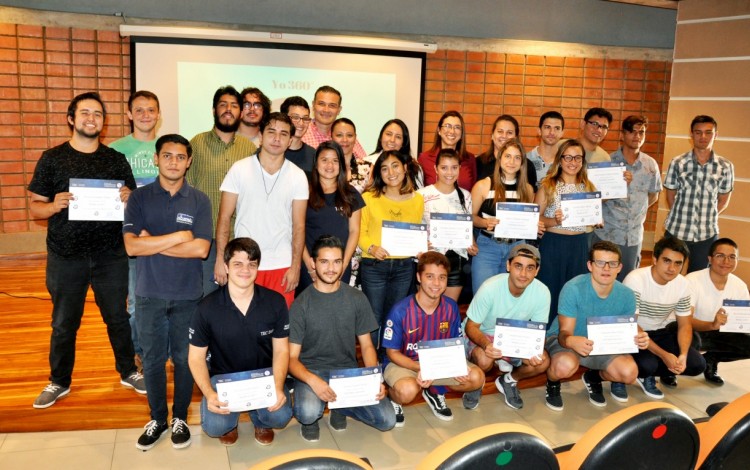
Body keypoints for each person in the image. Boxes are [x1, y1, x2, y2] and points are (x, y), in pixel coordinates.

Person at [28, 92, 144, 409]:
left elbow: (132, 200)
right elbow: (34, 207)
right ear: (71, 119)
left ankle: (128, 371)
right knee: (64, 323)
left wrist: (127, 196)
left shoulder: (115, 159)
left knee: (118, 318)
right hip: (66, 256)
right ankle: (59, 381)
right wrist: (54, 204)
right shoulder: (51, 158)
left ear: (103, 123)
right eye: (85, 113)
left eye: (98, 114)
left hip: (110, 255)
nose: (91, 118)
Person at [123, 134, 212, 451]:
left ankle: (180, 418)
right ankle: (158, 418)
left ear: (189, 161)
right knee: (153, 360)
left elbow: (201, 249)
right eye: (167, 155)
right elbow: (132, 246)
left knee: (185, 359)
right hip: (149, 294)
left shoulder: (200, 200)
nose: (174, 161)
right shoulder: (139, 198)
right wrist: (178, 237)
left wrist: (154, 242)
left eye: (180, 156)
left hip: (188, 295)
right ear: (156, 159)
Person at [289, 235, 396, 442]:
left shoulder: (356, 298)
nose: (331, 268)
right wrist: (314, 382)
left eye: (337, 262)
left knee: (387, 420)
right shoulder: (301, 304)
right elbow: (291, 359)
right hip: (312, 371)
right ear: (313, 263)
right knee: (308, 413)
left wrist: (374, 379)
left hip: (347, 372)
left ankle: (340, 406)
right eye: (324, 261)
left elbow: (366, 346)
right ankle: (321, 410)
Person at [189, 237, 292, 447]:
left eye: (251, 264)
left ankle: (259, 419)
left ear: (257, 268)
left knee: (280, 417)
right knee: (215, 427)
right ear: (226, 266)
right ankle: (230, 423)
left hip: (264, 378)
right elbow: (195, 357)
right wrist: (209, 393)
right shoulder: (206, 308)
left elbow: (282, 351)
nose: (245, 269)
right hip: (225, 381)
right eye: (238, 264)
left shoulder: (275, 302)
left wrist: (278, 386)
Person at [215, 112, 308, 307]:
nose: (277, 138)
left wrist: (296, 266)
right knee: (242, 326)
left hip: (281, 266)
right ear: (260, 136)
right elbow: (224, 217)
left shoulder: (298, 176)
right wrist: (220, 260)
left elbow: (299, 226)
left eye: (283, 134)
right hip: (244, 263)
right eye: (271, 132)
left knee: (278, 330)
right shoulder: (239, 169)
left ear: (290, 140)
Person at [544, 241, 649, 411]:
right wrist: (571, 341)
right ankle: (553, 383)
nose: (606, 268)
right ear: (590, 265)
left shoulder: (627, 295)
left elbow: (630, 326)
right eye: (600, 262)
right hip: (568, 341)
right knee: (564, 366)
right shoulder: (573, 288)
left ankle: (594, 377)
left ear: (619, 267)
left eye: (612, 263)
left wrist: (641, 336)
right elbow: (564, 334)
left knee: (629, 373)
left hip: (602, 345)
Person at [383, 251, 485, 425]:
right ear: (419, 277)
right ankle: (393, 399)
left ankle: (435, 391)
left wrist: (458, 366)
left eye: (442, 277)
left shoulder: (451, 307)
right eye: (430, 276)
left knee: (476, 378)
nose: (436, 283)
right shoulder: (400, 310)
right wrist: (419, 367)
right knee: (407, 391)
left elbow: (456, 344)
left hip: (439, 363)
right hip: (405, 363)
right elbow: (392, 352)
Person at [188, 86, 257, 297]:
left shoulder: (250, 149)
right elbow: (187, 190)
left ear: (241, 112)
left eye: (234, 106)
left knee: (239, 299)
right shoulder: (196, 144)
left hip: (242, 239)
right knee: (205, 299)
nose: (229, 110)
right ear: (213, 110)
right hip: (205, 240)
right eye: (223, 105)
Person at [110, 90, 161, 372]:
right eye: (139, 110)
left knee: (164, 299)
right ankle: (139, 353)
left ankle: (160, 349)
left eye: (150, 110)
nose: (145, 115)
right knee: (134, 302)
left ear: (158, 114)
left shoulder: (167, 146)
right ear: (129, 114)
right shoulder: (116, 149)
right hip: (130, 238)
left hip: (164, 235)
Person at [464, 244, 550, 410]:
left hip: (516, 338)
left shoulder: (543, 292)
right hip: (484, 334)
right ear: (508, 266)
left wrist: (534, 350)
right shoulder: (490, 287)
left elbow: (538, 332)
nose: (523, 274)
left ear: (537, 271)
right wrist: (486, 345)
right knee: (484, 359)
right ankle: (477, 384)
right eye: (518, 266)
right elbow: (471, 326)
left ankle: (509, 380)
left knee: (542, 361)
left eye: (530, 268)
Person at [620, 236, 706, 399]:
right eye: (667, 261)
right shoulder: (636, 279)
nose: (672, 268)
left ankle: (654, 368)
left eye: (678, 263)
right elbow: (630, 324)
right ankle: (643, 372)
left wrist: (683, 355)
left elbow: (685, 325)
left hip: (660, 332)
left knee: (697, 364)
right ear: (654, 259)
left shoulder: (683, 284)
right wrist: (664, 355)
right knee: (648, 365)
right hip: (633, 332)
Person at [359, 150, 424, 348]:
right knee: (374, 317)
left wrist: (421, 249)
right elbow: (359, 231)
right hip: (374, 265)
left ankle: (388, 358)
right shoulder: (369, 198)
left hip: (404, 267)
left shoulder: (417, 200)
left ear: (405, 168)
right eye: (384, 168)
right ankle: (372, 363)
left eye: (395, 166)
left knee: (394, 316)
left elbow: (417, 231)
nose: (391, 172)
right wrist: (371, 247)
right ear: (379, 173)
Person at [535, 139, 597, 326]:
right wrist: (555, 220)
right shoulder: (548, 185)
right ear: (560, 159)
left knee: (575, 291)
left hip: (579, 245)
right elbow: (535, 219)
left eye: (578, 157)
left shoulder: (588, 187)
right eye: (568, 157)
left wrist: (596, 217)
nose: (573, 162)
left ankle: (568, 333)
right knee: (551, 289)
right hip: (554, 244)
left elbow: (591, 217)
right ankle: (546, 335)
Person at [593, 115, 661, 281]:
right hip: (607, 234)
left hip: (633, 237)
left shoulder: (650, 165)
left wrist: (638, 211)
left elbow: (653, 195)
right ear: (622, 135)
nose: (636, 136)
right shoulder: (607, 161)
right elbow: (594, 199)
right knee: (601, 279)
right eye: (631, 131)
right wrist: (613, 191)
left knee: (628, 281)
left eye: (641, 132)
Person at [664, 115, 734, 273]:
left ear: (716, 135)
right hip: (677, 231)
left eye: (708, 132)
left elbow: (723, 200)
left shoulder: (725, 166)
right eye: (698, 132)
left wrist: (707, 217)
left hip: (707, 234)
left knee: (699, 277)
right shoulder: (677, 163)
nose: (703, 137)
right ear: (691, 135)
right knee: (670, 275)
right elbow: (670, 196)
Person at [471, 139, 538, 294]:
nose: (511, 162)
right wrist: (484, 222)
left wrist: (535, 225)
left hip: (516, 248)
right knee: (483, 296)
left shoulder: (527, 189)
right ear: (499, 158)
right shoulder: (483, 185)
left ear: (522, 162)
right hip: (488, 246)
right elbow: (471, 217)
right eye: (507, 156)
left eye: (517, 157)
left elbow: (527, 221)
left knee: (508, 298)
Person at [299, 141, 364, 293]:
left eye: (335, 161)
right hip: (310, 265)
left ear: (341, 165)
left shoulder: (350, 193)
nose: (330, 165)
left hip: (340, 266)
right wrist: (310, 267)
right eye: (324, 160)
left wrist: (343, 264)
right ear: (316, 163)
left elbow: (354, 231)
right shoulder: (303, 191)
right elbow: (297, 230)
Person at [687, 238, 750, 385]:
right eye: (720, 256)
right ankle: (668, 370)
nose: (726, 261)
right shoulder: (692, 280)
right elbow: (685, 319)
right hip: (692, 330)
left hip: (719, 333)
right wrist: (712, 324)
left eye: (732, 257)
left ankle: (712, 358)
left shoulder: (739, 285)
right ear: (710, 258)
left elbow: (742, 323)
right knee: (685, 339)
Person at [418, 149, 477, 301]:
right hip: (429, 258)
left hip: (456, 261)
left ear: (459, 168)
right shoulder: (421, 195)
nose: (449, 172)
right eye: (444, 167)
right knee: (426, 307)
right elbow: (416, 227)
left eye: (454, 167)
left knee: (448, 309)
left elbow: (467, 229)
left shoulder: (466, 196)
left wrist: (472, 244)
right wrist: (421, 243)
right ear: (435, 169)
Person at [301, 85, 366, 158]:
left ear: (339, 110)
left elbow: (364, 163)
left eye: (332, 106)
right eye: (321, 104)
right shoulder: (301, 132)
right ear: (313, 105)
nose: (326, 110)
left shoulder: (346, 137)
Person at [418, 111, 477, 191]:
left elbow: (473, 191)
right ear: (439, 130)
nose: (452, 131)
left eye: (457, 127)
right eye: (447, 126)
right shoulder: (424, 158)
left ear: (461, 134)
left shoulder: (470, 159)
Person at [476, 115, 537, 189]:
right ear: (492, 135)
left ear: (516, 138)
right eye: (500, 131)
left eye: (509, 133)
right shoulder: (478, 163)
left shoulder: (527, 166)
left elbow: (530, 196)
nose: (504, 136)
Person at [368, 119, 423, 189]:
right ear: (381, 137)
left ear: (403, 142)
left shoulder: (414, 167)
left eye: (398, 137)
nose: (392, 140)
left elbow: (419, 194)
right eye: (388, 134)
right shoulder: (366, 163)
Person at [331, 118, 373, 193]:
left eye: (349, 135)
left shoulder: (368, 168)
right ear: (331, 137)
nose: (344, 140)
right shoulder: (325, 167)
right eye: (339, 135)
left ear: (355, 138)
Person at [527, 111, 565, 189]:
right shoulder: (525, 159)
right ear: (539, 131)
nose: (552, 132)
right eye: (547, 127)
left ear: (562, 133)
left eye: (557, 128)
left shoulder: (567, 162)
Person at [280, 96, 316, 177]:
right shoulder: (270, 150)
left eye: (305, 118)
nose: (301, 123)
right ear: (283, 118)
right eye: (295, 117)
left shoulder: (313, 155)